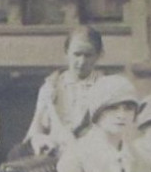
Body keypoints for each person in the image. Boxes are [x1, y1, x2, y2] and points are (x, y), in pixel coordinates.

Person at [55, 75, 151, 172]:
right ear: (97, 113)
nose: (121, 115)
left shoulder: (137, 157)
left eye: (128, 108)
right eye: (112, 108)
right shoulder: (75, 157)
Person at [21, 26, 105, 156]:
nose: (81, 62)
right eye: (77, 54)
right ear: (66, 53)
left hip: (91, 155)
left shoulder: (106, 87)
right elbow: (35, 129)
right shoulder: (51, 86)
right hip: (53, 152)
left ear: (99, 56)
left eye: (88, 55)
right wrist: (39, 140)